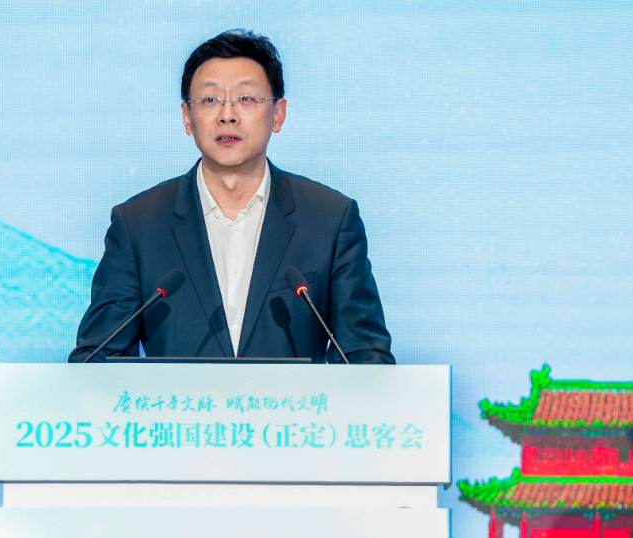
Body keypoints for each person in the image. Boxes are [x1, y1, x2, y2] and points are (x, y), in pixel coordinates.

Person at [68, 29, 394, 364]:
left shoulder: (330, 220)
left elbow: (365, 356)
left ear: (278, 114)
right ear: (187, 118)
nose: (227, 115)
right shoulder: (138, 225)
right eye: (210, 100)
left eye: (247, 99)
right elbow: (97, 358)